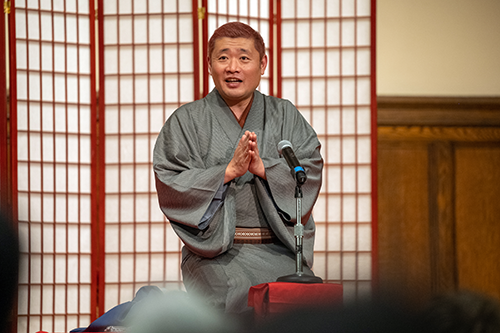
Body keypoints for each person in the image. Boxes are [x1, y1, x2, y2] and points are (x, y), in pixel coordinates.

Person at [153, 21, 323, 314]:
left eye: (244, 57)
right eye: (223, 57)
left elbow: (308, 169)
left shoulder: (285, 115)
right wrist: (226, 172)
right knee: (236, 303)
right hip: (215, 256)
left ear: (262, 63)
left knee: (298, 306)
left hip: (279, 250)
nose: (233, 67)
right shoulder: (185, 121)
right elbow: (170, 181)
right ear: (209, 65)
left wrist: (264, 168)